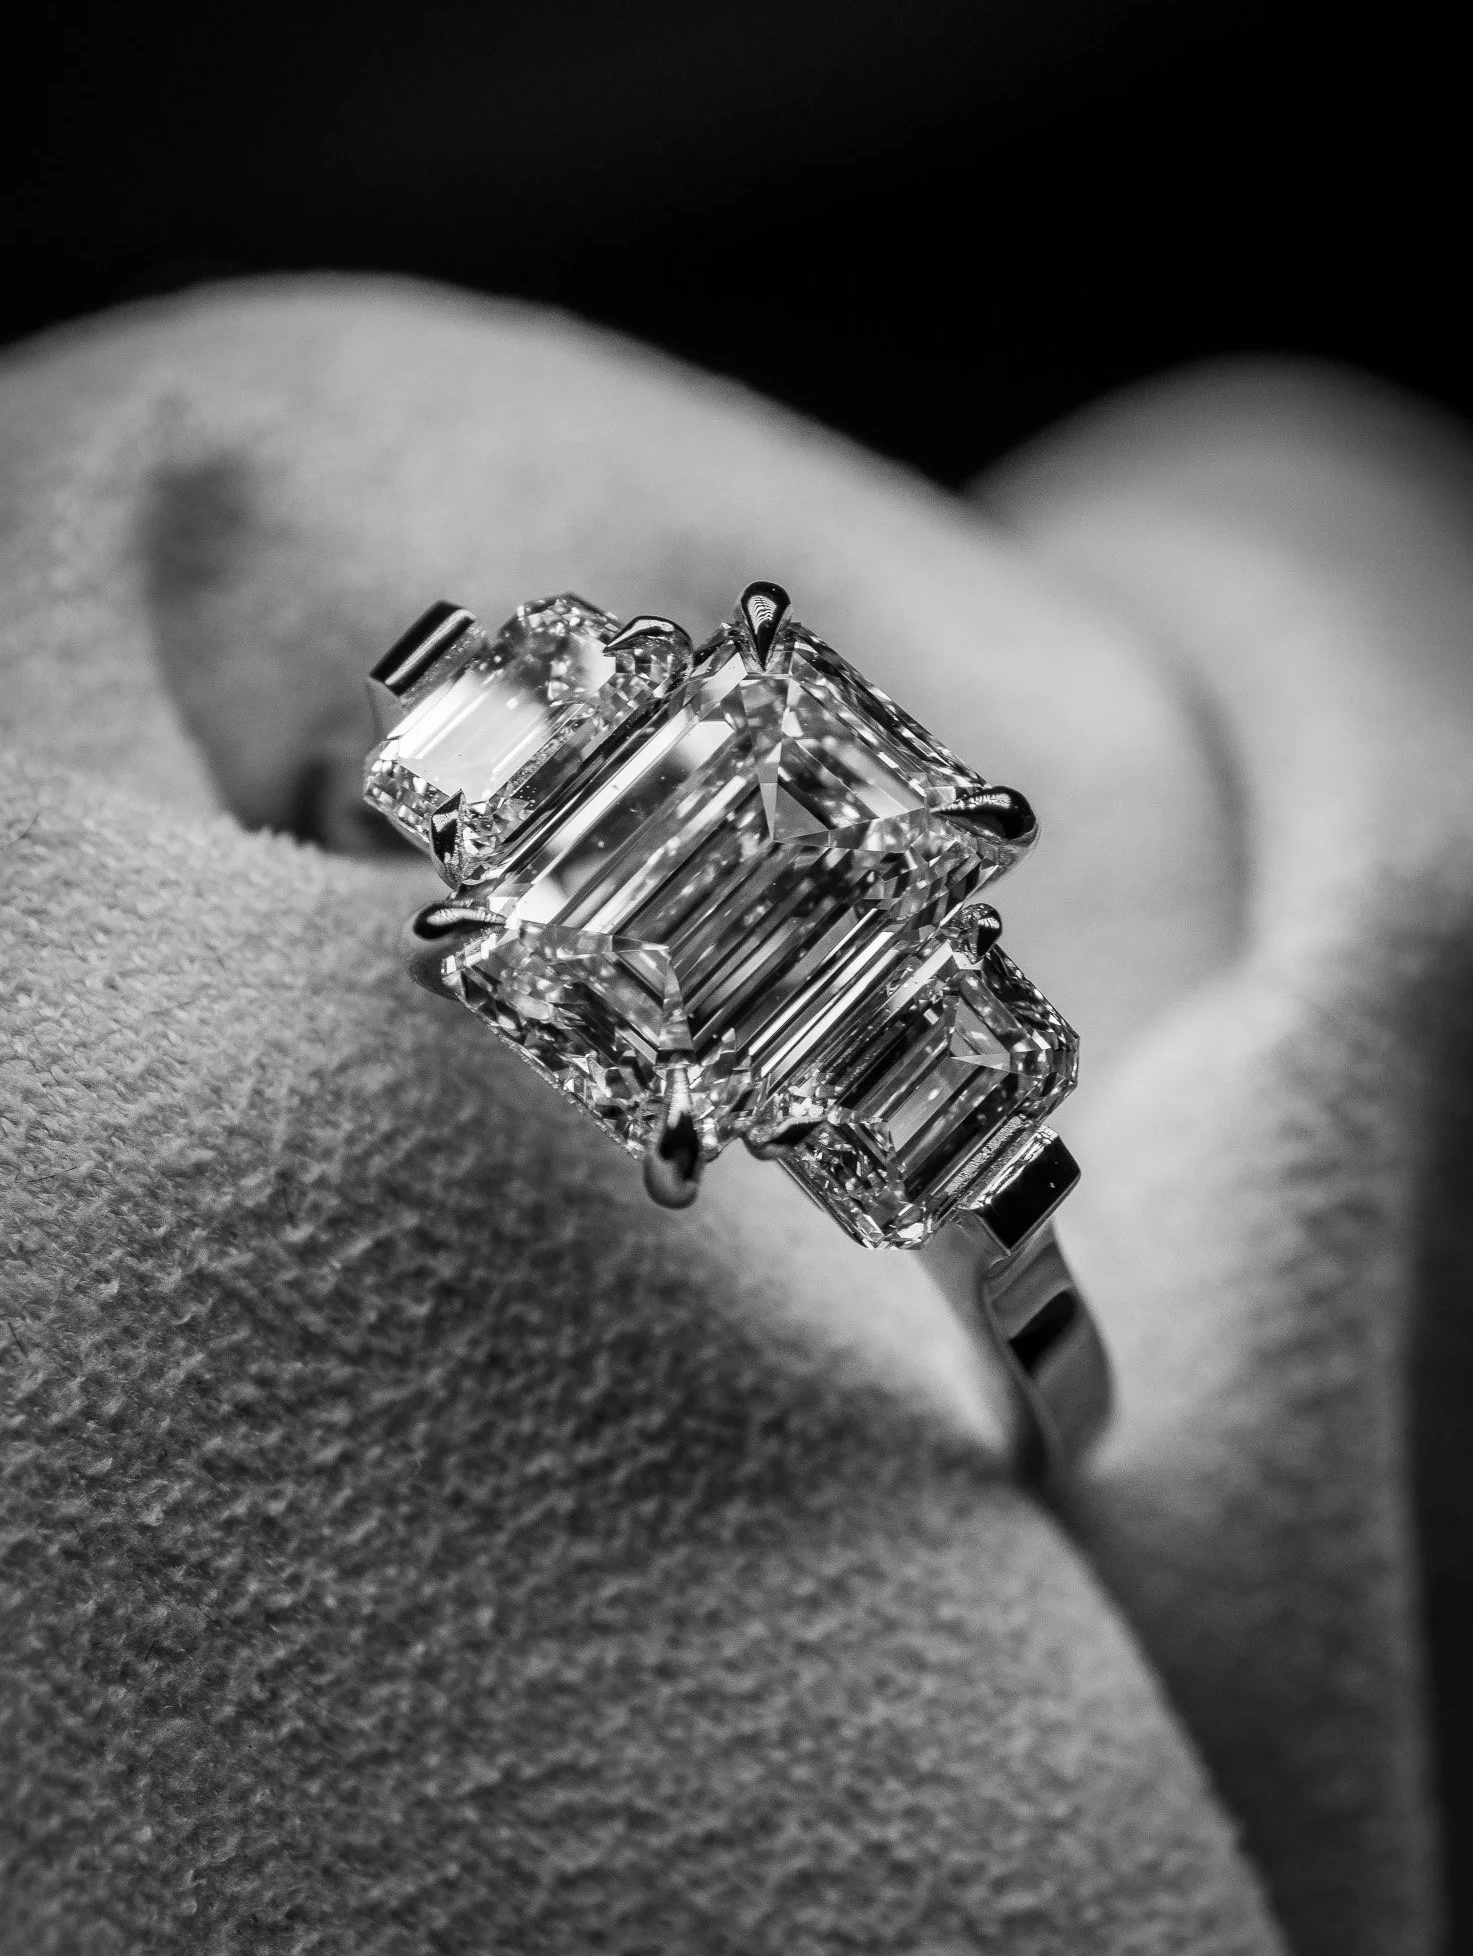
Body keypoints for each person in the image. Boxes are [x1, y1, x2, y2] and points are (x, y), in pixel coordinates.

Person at [2, 277, 1468, 1954]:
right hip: (840, 1043)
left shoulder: (703, 751)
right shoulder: (618, 829)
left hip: (897, 1007)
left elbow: (820, 784)